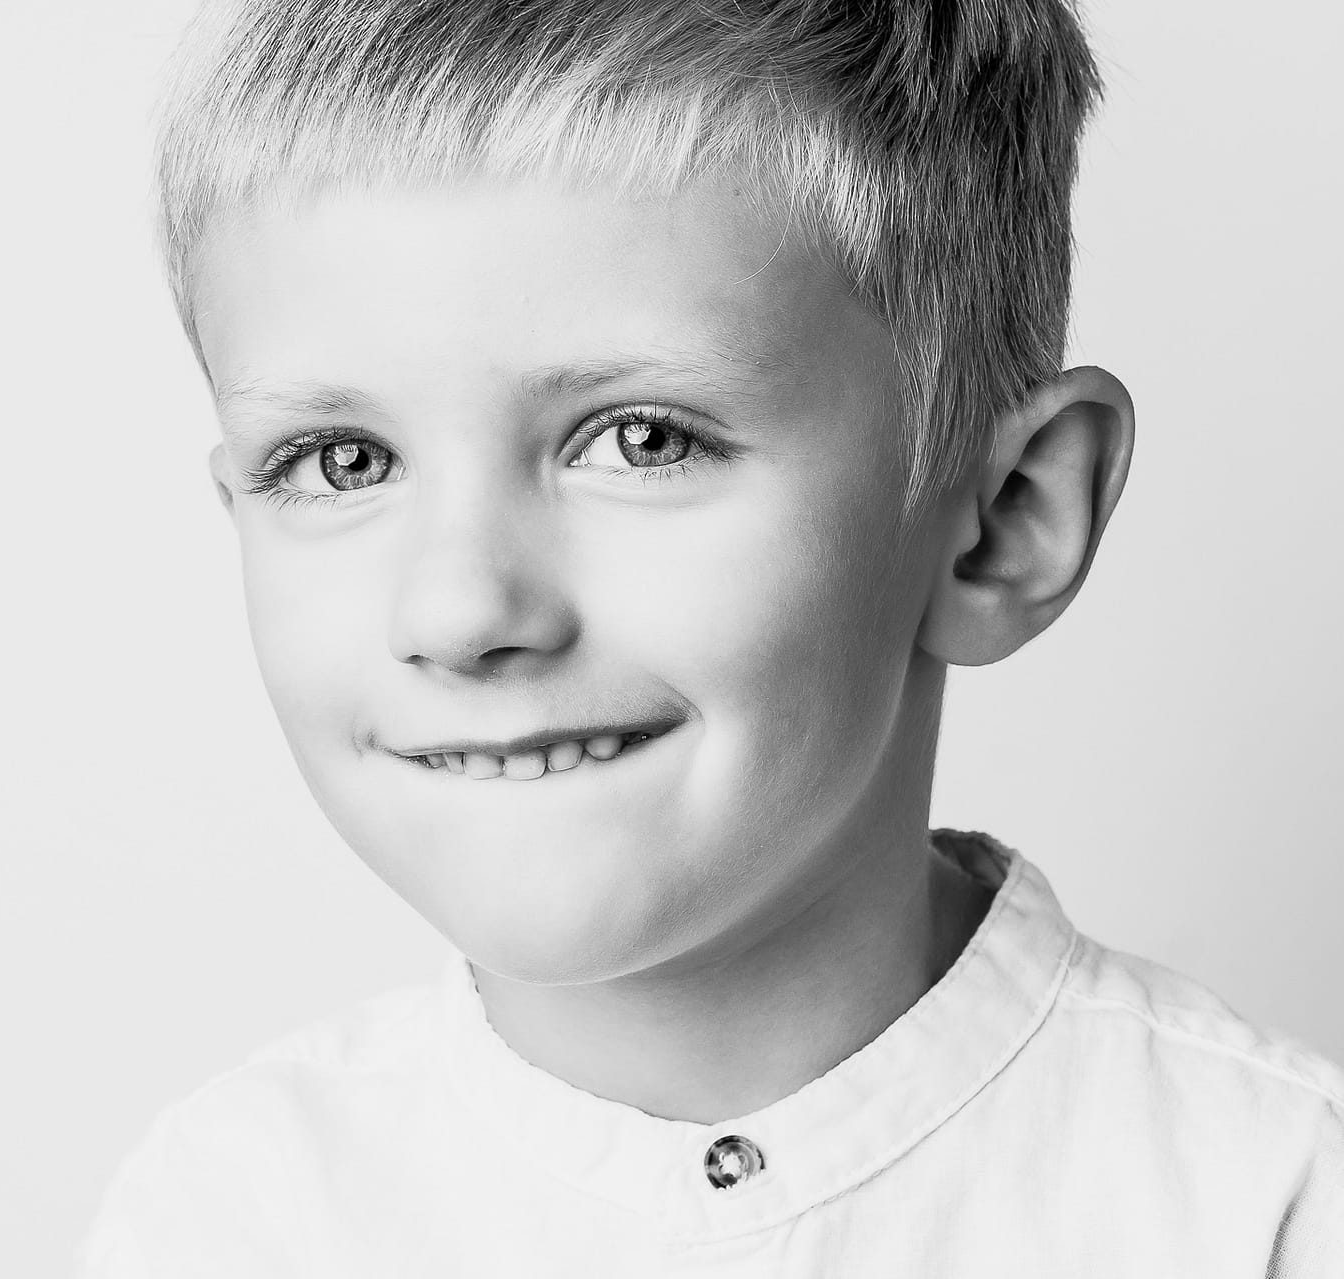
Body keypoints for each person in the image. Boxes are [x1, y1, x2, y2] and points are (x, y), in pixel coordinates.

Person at [81, 0, 1344, 1272]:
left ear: (1003, 521)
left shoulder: (1268, 1204)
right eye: (341, 461)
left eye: (642, 440)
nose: (459, 611)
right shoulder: (225, 1219)